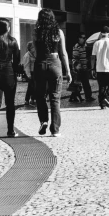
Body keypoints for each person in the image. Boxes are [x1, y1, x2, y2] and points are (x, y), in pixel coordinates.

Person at [33, 8, 71, 137]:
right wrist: (68, 71)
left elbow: (35, 52)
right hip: (55, 63)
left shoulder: (37, 32)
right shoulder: (58, 32)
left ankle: (43, 120)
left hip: (40, 63)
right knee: (55, 98)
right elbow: (63, 53)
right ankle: (55, 129)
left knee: (40, 96)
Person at [91, 26, 109, 109]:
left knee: (102, 86)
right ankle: (106, 97)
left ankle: (102, 104)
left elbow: (93, 57)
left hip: (99, 68)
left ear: (101, 33)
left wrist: (92, 68)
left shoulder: (96, 43)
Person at [71, 33, 95, 102]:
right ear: (79, 38)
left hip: (84, 68)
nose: (84, 39)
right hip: (79, 69)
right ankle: (88, 96)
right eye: (83, 38)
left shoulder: (84, 46)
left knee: (79, 84)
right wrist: (78, 66)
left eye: (85, 38)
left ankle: (73, 97)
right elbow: (75, 58)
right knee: (84, 83)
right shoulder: (76, 46)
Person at [21, 41, 36, 106]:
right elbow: (26, 66)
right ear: (29, 48)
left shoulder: (33, 54)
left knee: (34, 87)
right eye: (33, 47)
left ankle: (32, 99)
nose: (34, 48)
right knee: (30, 87)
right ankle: (27, 100)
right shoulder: (27, 55)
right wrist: (29, 75)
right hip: (30, 73)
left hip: (34, 72)